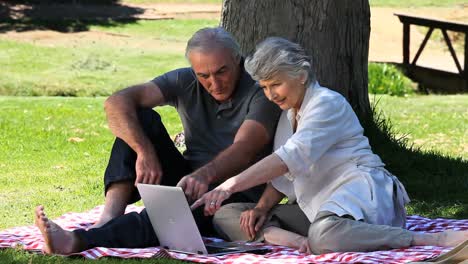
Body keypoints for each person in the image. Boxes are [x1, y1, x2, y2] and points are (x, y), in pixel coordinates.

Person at [191, 37, 468, 254]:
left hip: (362, 195)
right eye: (264, 87)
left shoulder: (327, 103)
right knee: (227, 215)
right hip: (320, 208)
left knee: (325, 233)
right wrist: (261, 209)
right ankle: (300, 242)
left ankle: (426, 239)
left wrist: (228, 185)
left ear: (300, 75)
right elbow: (283, 178)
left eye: (276, 84)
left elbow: (288, 158)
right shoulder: (289, 114)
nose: (270, 94)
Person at [34, 27, 281, 255]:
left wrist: (205, 176)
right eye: (203, 75)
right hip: (188, 180)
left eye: (221, 72)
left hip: (234, 194)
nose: (213, 83)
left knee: (167, 218)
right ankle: (109, 217)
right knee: (140, 120)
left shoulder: (260, 91)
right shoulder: (185, 81)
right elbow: (117, 102)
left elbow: (244, 149)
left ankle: (79, 241)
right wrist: (144, 151)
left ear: (238, 60)